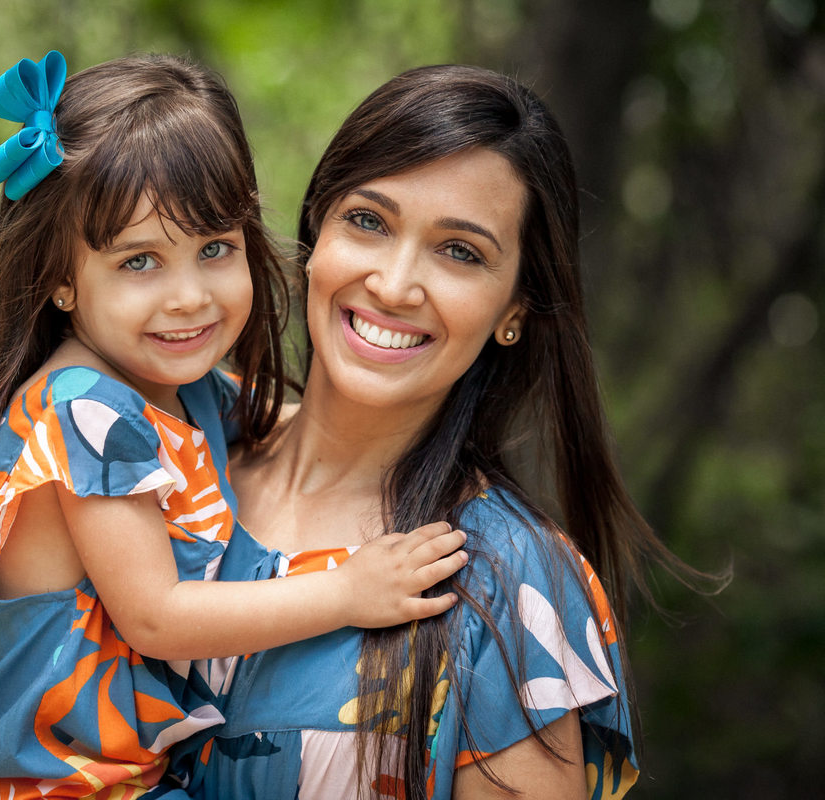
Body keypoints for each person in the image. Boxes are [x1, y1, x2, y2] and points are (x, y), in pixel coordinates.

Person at [0, 52, 468, 800]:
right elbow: (159, 620)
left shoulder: (177, 385)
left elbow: (293, 427)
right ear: (60, 278)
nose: (190, 297)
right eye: (140, 263)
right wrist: (349, 590)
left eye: (214, 249)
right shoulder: (85, 409)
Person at [186, 64, 697, 799]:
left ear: (514, 309)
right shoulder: (168, 459)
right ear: (316, 235)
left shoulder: (508, 582)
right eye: (368, 221)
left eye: (460, 251)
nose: (394, 285)